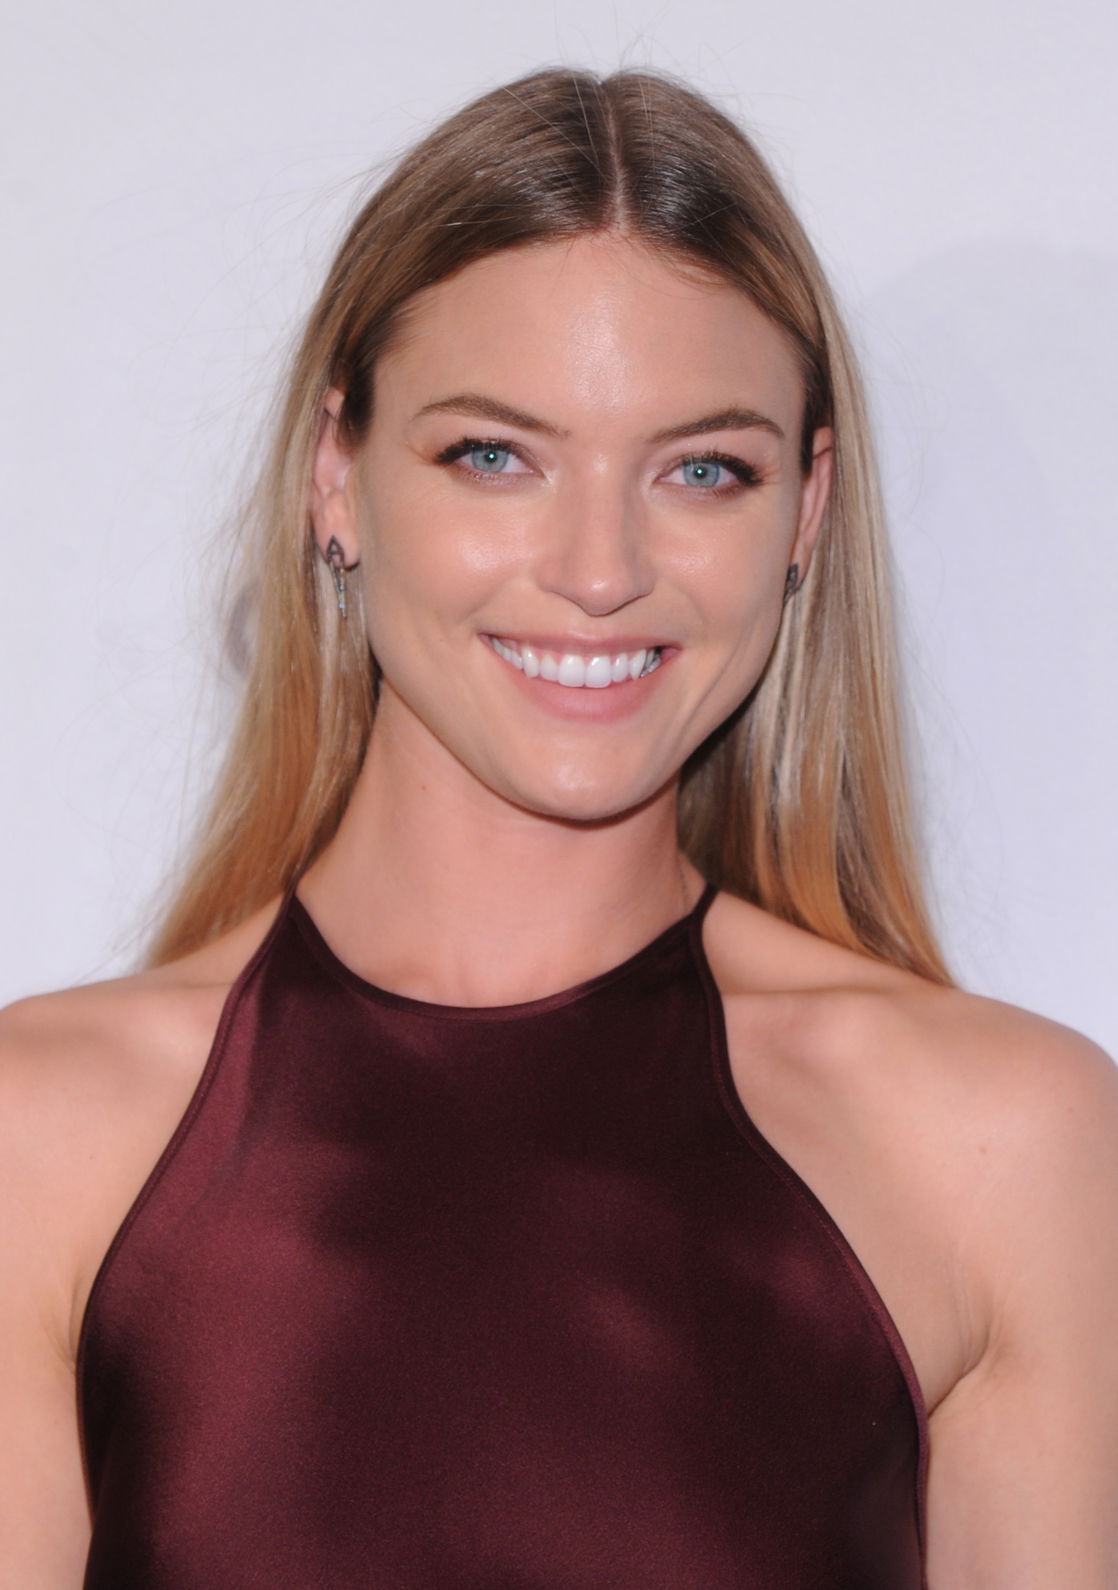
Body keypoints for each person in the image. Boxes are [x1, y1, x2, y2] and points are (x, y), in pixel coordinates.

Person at [2, 65, 1115, 1589]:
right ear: (337, 474)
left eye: (702, 470)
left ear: (803, 513)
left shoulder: (995, 1142)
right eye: (495, 455)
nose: (600, 569)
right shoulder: (43, 1137)